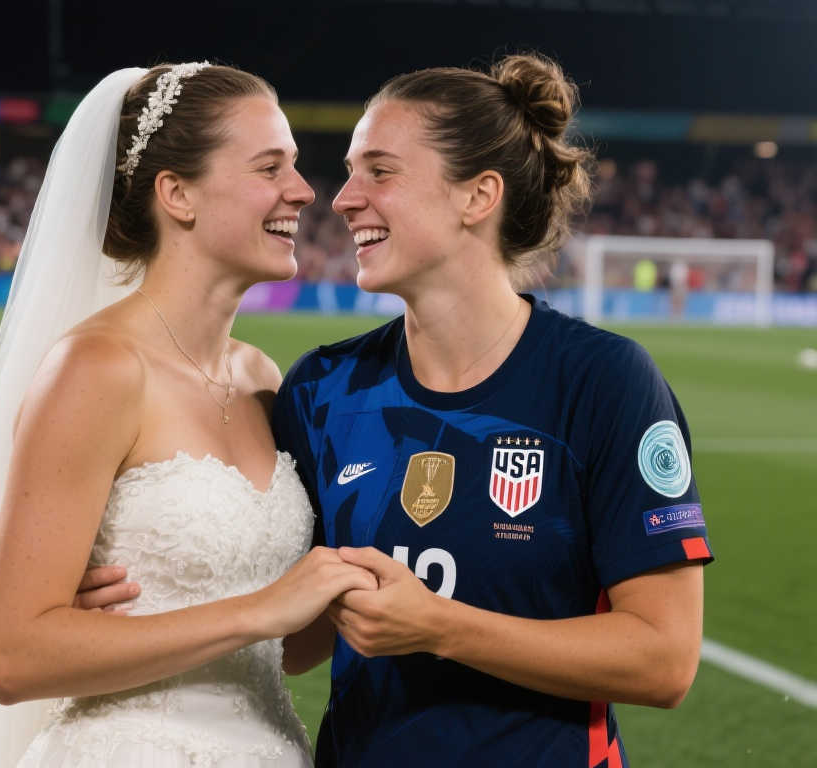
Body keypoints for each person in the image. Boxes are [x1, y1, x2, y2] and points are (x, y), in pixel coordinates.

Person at [0, 64, 377, 767]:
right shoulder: (97, 369)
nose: (305, 191)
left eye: (295, 165)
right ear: (177, 194)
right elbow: (13, 656)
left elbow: (286, 646)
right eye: (269, 167)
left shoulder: (261, 379)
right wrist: (256, 610)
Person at [267, 55, 715, 766]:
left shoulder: (603, 381)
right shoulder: (322, 388)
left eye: (380, 171)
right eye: (351, 172)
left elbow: (663, 660)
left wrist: (439, 626)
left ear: (478, 195)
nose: (344, 199)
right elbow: (295, 646)